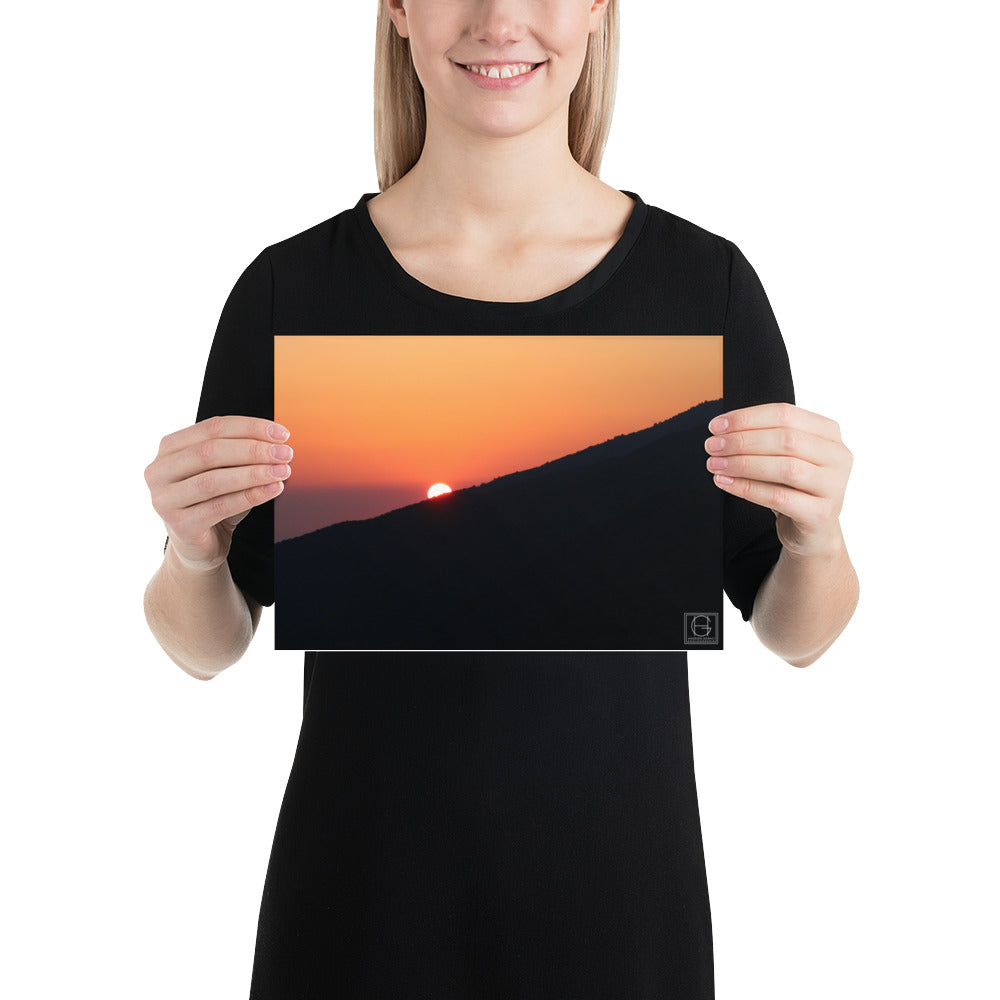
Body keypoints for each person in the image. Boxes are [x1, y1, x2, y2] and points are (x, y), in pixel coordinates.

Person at [143, 0, 860, 995]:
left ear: (601, 9)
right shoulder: (290, 291)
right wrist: (192, 552)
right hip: (358, 923)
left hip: (621, 927)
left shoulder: (705, 286)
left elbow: (793, 631)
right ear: (397, 9)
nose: (499, 18)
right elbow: (208, 642)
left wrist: (816, 538)